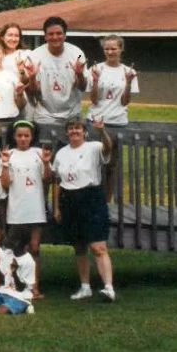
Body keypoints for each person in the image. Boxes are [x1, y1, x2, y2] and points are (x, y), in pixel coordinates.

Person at [52, 118, 116, 302]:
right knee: (79, 246)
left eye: (78, 128)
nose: (74, 131)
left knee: (98, 246)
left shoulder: (94, 147)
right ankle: (85, 286)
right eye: (71, 129)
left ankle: (108, 288)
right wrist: (56, 207)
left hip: (91, 198)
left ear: (84, 131)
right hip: (69, 200)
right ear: (66, 133)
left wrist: (102, 131)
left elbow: (108, 149)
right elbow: (57, 181)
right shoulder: (61, 154)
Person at [0, 120, 52, 299]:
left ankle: (34, 287)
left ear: (31, 137)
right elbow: (5, 184)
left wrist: (45, 163)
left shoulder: (38, 153)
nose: (23, 139)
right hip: (16, 211)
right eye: (19, 136)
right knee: (13, 249)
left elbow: (47, 179)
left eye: (26, 136)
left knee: (34, 248)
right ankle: (11, 284)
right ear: (14, 137)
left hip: (35, 209)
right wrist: (5, 164)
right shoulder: (9, 154)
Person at [26, 16, 88, 129]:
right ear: (45, 36)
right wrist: (32, 77)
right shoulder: (34, 56)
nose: (55, 37)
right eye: (51, 34)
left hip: (73, 115)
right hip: (45, 115)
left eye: (59, 33)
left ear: (65, 35)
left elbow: (83, 87)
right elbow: (34, 91)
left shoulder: (77, 54)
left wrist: (79, 74)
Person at [87, 34, 139, 128]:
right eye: (106, 49)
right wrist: (95, 81)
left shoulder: (129, 72)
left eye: (113, 49)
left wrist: (128, 83)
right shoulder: (95, 69)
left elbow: (124, 102)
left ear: (121, 49)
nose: (110, 52)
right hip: (96, 121)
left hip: (118, 122)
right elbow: (94, 100)